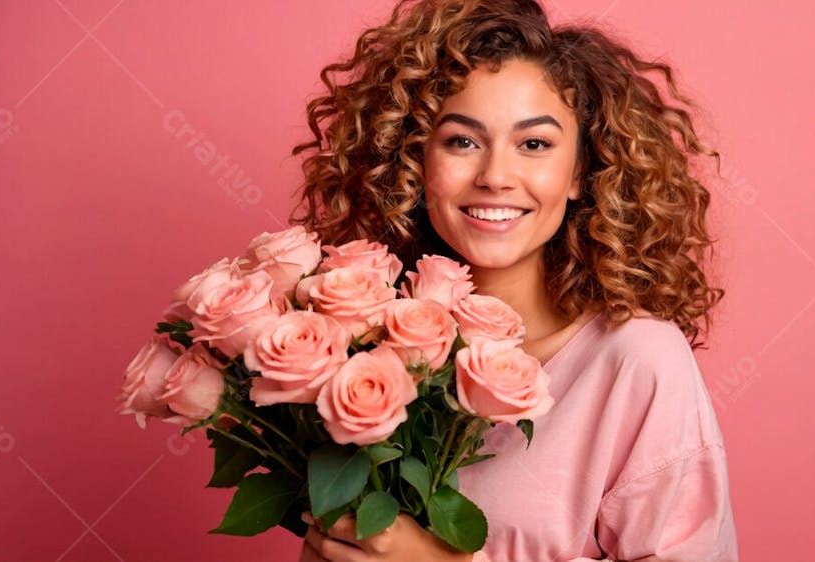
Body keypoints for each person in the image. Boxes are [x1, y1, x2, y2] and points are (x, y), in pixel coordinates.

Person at [290, 0, 738, 560]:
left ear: (579, 171)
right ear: (414, 161)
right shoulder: (365, 350)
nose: (496, 176)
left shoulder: (639, 362)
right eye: (462, 141)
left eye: (534, 144)